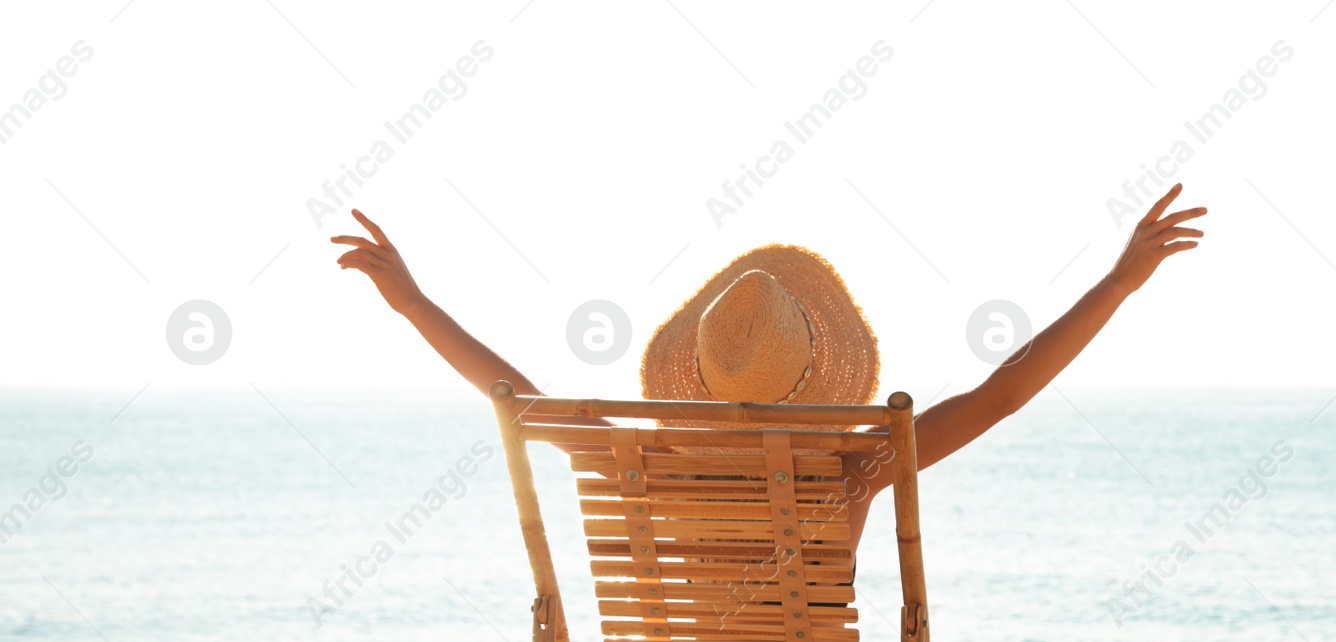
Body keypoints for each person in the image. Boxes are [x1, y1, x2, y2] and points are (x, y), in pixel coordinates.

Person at [330, 183, 1205, 552]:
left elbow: (512, 397)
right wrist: (1119, 282)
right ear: (820, 367)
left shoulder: (640, 464)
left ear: (699, 373)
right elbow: (1002, 395)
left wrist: (411, 302)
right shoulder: (850, 468)